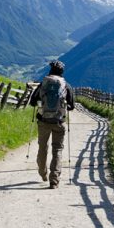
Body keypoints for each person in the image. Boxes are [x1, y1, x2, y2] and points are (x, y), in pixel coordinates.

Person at [29, 60, 75, 189]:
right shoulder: (66, 85)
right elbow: (72, 106)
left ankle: (43, 173)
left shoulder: (43, 83)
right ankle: (54, 180)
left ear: (50, 70)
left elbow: (32, 102)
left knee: (42, 147)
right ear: (62, 72)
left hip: (43, 121)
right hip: (59, 122)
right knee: (57, 150)